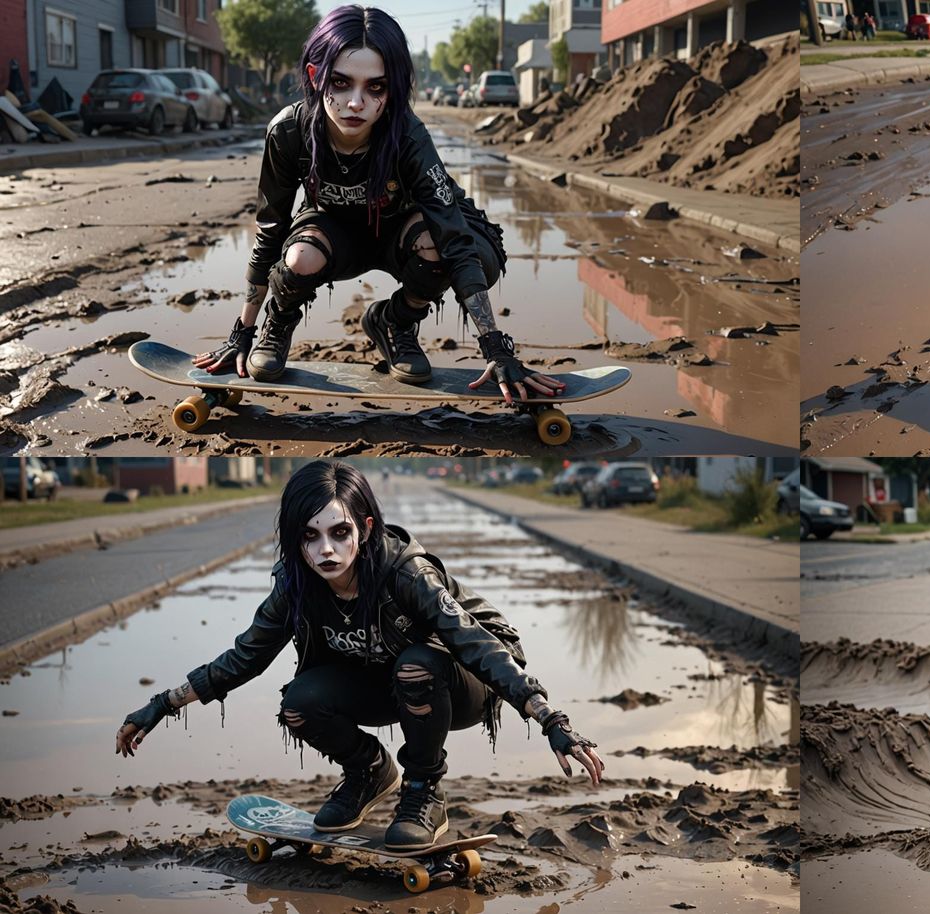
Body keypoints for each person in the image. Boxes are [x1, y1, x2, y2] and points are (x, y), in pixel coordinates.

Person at [115, 460, 603, 849]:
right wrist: (161, 705)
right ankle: (369, 772)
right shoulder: (298, 588)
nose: (326, 550)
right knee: (298, 703)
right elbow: (245, 657)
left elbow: (475, 643)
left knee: (417, 664)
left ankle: (423, 791)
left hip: (466, 682)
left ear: (365, 528)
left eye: (339, 532)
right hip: (388, 679)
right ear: (294, 538)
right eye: (310, 535)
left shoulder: (406, 575)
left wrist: (548, 717)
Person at [194, 5, 565, 405]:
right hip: (333, 232)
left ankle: (395, 323)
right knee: (299, 256)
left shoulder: (408, 136)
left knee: (461, 252)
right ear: (318, 78)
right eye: (341, 82)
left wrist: (496, 348)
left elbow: (453, 235)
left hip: (402, 232)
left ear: (392, 89)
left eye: (375, 87)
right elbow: (270, 229)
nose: (356, 102)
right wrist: (242, 335)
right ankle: (278, 326)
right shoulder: (288, 132)